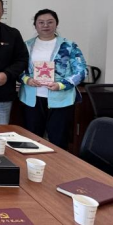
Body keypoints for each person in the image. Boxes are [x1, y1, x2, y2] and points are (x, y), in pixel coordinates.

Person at [19, 9, 87, 149]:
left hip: (61, 99)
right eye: (41, 22)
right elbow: (17, 68)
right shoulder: (26, 45)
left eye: (50, 22)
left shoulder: (69, 46)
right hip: (32, 98)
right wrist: (27, 80)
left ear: (56, 24)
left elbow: (81, 71)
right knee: (32, 139)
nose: (45, 25)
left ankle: (58, 163)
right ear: (35, 25)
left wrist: (61, 85)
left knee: (58, 140)